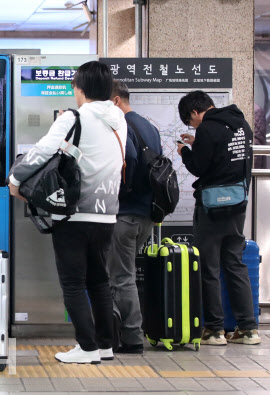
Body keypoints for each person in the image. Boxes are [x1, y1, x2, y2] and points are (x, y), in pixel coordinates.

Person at [9, 61, 126, 364]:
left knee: (73, 283)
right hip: (107, 215)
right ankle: (104, 345)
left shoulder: (73, 117)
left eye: (74, 86)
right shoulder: (119, 121)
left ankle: (86, 348)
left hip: (73, 215)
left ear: (81, 88)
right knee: (99, 281)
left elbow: (42, 151)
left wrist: (14, 180)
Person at [177, 90, 260, 345]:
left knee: (209, 268)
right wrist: (196, 142)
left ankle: (214, 330)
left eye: (190, 122)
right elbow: (229, 157)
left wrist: (185, 152)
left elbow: (200, 167)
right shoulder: (241, 124)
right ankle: (248, 329)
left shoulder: (207, 129)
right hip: (237, 204)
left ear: (194, 112)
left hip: (212, 209)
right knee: (235, 264)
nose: (193, 126)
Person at [107, 80, 162, 354]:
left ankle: (131, 338)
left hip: (127, 213)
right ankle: (119, 330)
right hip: (146, 215)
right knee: (122, 275)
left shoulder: (124, 125)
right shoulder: (149, 125)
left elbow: (126, 161)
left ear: (116, 101)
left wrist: (117, 190)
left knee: (121, 277)